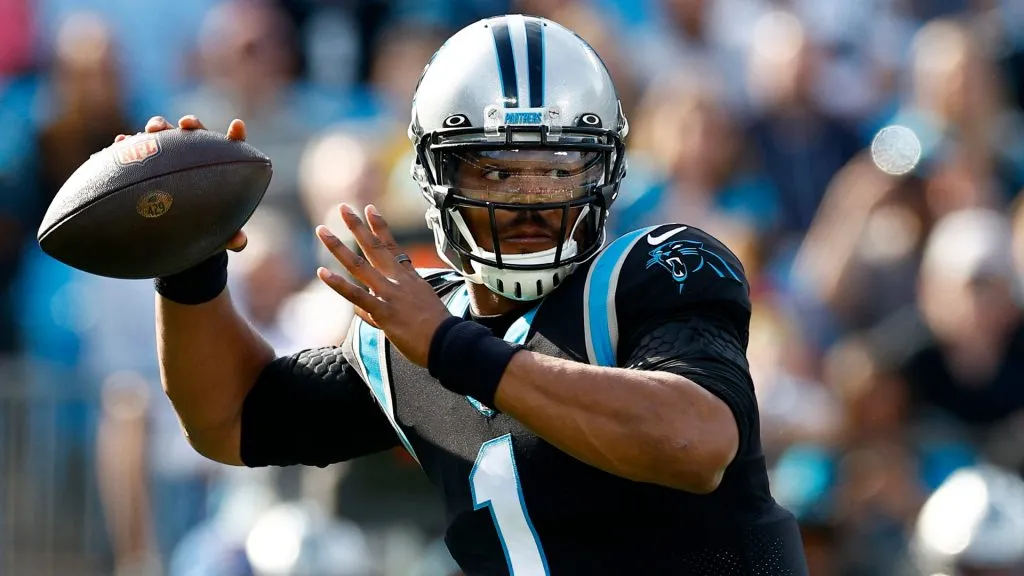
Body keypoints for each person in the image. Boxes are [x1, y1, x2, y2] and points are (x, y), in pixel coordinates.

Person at [135, 15, 808, 575]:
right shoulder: (412, 333)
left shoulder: (653, 269)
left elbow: (695, 442)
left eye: (557, 170)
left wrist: (453, 350)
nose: (529, 200)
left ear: (604, 171)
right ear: (435, 177)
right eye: (495, 171)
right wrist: (190, 264)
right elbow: (229, 421)